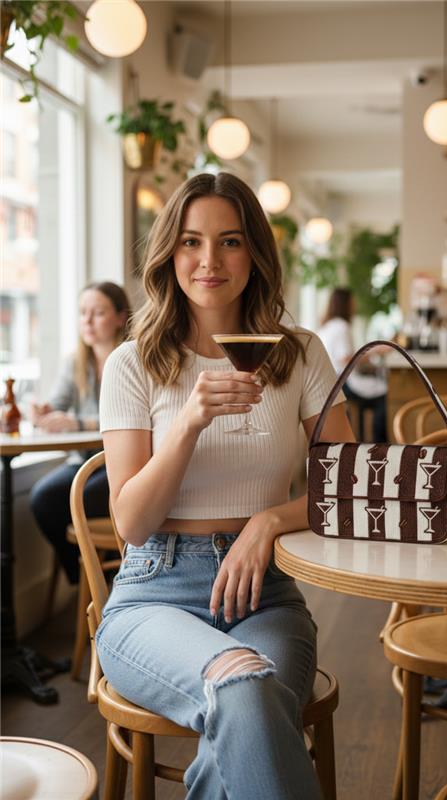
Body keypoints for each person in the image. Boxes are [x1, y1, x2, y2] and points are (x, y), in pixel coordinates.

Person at [96, 172, 354, 799]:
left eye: (231, 241)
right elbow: (130, 523)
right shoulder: (133, 363)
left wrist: (267, 522)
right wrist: (188, 422)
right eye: (190, 242)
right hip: (152, 593)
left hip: (264, 593)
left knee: (247, 703)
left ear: (255, 254)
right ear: (169, 254)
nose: (209, 260)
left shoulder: (300, 353)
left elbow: (346, 489)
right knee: (245, 689)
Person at [30, 281, 131, 584]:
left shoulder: (131, 357)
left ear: (120, 317)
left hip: (121, 460)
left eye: (98, 313)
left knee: (83, 497)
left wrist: (78, 423)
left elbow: (130, 416)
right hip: (82, 460)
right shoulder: (76, 362)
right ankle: (84, 578)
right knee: (43, 499)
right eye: (82, 313)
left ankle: (116, 575)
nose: (87, 321)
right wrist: (43, 413)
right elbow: (57, 405)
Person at [317, 287, 388, 442]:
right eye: (353, 302)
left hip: (330, 383)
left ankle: (366, 437)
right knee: (385, 395)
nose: (355, 306)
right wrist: (374, 351)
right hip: (345, 384)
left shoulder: (326, 326)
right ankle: (380, 442)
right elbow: (346, 360)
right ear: (346, 304)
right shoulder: (342, 326)